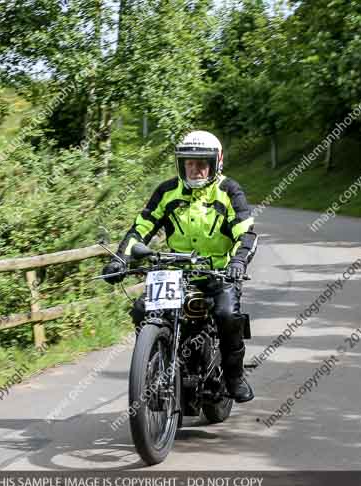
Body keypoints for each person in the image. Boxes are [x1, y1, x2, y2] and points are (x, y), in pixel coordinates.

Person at [101, 130, 258, 402]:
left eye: (201, 164)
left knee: (226, 316)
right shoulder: (167, 191)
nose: (195, 169)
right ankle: (158, 356)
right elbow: (141, 228)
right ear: (181, 163)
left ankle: (234, 376)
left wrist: (237, 262)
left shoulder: (229, 191)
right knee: (142, 309)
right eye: (189, 163)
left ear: (215, 163)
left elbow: (246, 234)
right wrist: (119, 259)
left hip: (217, 273)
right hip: (176, 275)